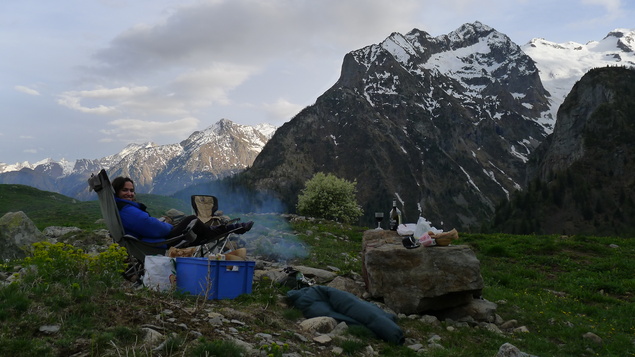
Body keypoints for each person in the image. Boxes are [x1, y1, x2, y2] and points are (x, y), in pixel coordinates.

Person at [111, 176, 253, 247]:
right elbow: (153, 228)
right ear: (116, 192)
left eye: (131, 190)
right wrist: (168, 225)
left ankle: (232, 228)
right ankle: (233, 228)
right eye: (125, 190)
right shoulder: (127, 210)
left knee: (200, 230)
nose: (130, 193)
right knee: (192, 220)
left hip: (151, 239)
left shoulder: (123, 208)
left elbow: (147, 224)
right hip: (160, 240)